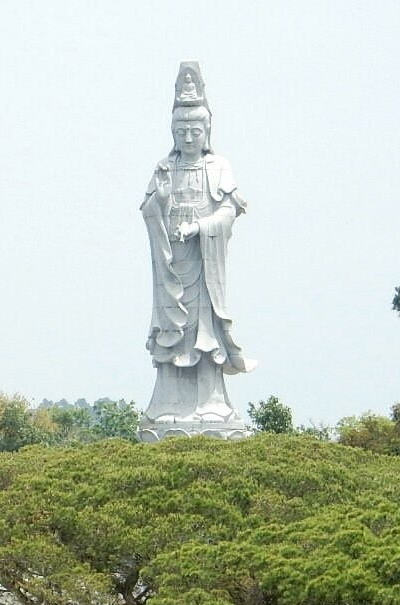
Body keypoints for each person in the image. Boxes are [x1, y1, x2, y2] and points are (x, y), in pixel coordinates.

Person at [141, 62, 254, 424]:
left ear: (207, 130)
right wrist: (159, 201)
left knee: (205, 334)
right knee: (173, 332)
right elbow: (148, 211)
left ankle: (213, 403)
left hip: (205, 263)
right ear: (172, 131)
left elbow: (229, 211)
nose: (188, 138)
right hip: (172, 263)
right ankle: (167, 405)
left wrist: (202, 227)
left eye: (195, 130)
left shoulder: (219, 166)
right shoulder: (164, 167)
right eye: (181, 131)